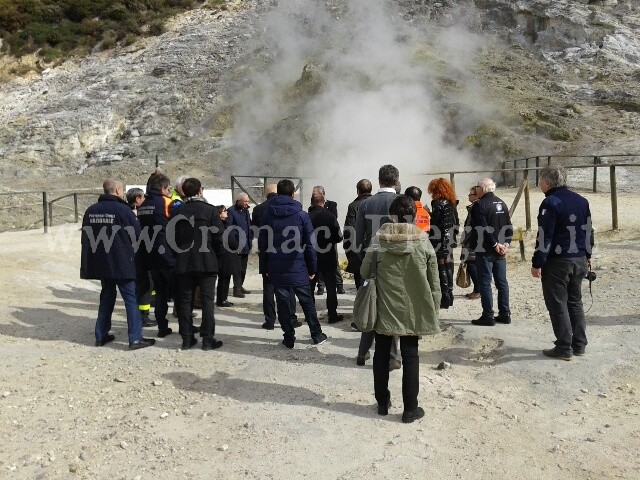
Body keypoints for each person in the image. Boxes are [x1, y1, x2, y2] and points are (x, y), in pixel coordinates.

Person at [360, 195, 440, 423]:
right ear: (414, 216)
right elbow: (434, 282)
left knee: (382, 353)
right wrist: (433, 309)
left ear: (391, 216)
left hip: (384, 305)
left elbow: (365, 272)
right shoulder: (424, 242)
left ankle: (382, 403)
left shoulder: (378, 241)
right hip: (414, 308)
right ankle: (410, 409)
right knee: (411, 355)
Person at [81, 178, 155, 350]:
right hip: (122, 262)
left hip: (101, 263)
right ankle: (135, 338)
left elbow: (86, 238)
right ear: (117, 190)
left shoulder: (91, 210)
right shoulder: (124, 210)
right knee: (130, 299)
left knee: (107, 296)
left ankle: (101, 335)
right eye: (122, 190)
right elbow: (137, 235)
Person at [531, 166, 594, 360]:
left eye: (540, 180)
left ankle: (564, 347)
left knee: (558, 304)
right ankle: (579, 345)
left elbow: (545, 236)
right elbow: (589, 230)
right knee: (575, 302)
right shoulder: (581, 201)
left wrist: (537, 262)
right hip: (579, 258)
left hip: (558, 261)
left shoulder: (550, 203)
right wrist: (588, 253)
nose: (539, 184)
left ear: (548, 183)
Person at [258, 179, 327, 348]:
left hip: (276, 268)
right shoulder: (301, 215)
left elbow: (263, 243)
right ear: (292, 194)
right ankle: (316, 334)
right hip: (298, 267)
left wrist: (264, 267)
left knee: (282, 304)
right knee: (307, 302)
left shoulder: (268, 215)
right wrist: (313, 268)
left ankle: (288, 338)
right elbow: (310, 244)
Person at [354, 164, 401, 368]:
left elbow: (357, 237)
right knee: (390, 307)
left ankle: (363, 353)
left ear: (379, 180)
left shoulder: (366, 203)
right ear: (397, 180)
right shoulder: (402, 202)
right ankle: (391, 358)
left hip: (372, 260)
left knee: (370, 305)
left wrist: (364, 257)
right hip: (397, 263)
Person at [172, 178, 224, 351]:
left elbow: (171, 238)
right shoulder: (210, 211)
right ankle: (208, 340)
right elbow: (219, 238)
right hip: (207, 262)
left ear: (184, 192)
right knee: (208, 302)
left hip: (184, 262)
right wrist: (219, 258)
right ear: (200, 191)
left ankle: (187, 339)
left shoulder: (178, 212)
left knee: (185, 301)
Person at [252, 184, 300, 330]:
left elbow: (255, 232)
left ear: (266, 194)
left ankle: (270, 320)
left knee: (268, 287)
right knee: (288, 286)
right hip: (287, 251)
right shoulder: (293, 206)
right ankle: (291, 318)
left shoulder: (258, 209)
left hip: (267, 251)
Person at [468, 178, 513, 326]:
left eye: (477, 187)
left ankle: (488, 315)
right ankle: (505, 314)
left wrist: (494, 245)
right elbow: (508, 226)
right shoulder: (502, 203)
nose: (476, 190)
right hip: (500, 250)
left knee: (485, 283)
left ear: (482, 189)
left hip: (486, 249)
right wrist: (505, 244)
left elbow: (483, 228)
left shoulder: (480, 205)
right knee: (502, 282)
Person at [137, 172, 175, 337]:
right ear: (164, 187)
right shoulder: (166, 202)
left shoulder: (143, 205)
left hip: (149, 254)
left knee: (159, 293)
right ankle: (186, 327)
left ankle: (162, 327)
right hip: (167, 253)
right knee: (178, 291)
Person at [308, 192, 344, 324]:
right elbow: (339, 238)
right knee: (331, 287)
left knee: (310, 288)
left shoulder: (306, 217)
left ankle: (311, 315)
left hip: (311, 257)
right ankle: (332, 315)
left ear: (311, 203)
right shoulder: (330, 217)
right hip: (328, 257)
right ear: (324, 203)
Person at [427, 178, 459, 309]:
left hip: (439, 238)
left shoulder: (437, 203)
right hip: (449, 238)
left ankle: (444, 296)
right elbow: (456, 222)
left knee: (441, 267)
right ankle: (450, 294)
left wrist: (428, 212)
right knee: (448, 265)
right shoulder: (452, 203)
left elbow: (434, 223)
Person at [311, 185, 344, 295]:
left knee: (334, 264)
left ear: (323, 194)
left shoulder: (332, 204)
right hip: (317, 241)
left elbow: (334, 216)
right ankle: (320, 286)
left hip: (330, 240)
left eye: (317, 193)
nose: (315, 195)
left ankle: (339, 285)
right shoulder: (311, 209)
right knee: (319, 266)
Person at [344, 179, 372, 289]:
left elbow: (349, 231)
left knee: (361, 286)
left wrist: (350, 254)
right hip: (378, 250)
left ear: (358, 191)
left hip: (359, 252)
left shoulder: (353, 206)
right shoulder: (377, 204)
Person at [227, 192, 253, 297]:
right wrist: (234, 245)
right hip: (237, 245)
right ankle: (236, 289)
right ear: (239, 201)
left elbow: (249, 225)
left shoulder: (246, 211)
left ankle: (240, 285)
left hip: (246, 244)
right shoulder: (231, 211)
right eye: (245, 201)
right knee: (237, 269)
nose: (247, 203)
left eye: (248, 201)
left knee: (243, 268)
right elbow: (230, 230)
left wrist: (251, 237)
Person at [215, 205, 238, 308]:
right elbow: (228, 240)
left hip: (228, 254)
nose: (227, 213)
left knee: (225, 277)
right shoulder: (220, 226)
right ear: (219, 214)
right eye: (224, 211)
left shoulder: (225, 224)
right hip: (225, 255)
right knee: (224, 278)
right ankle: (222, 299)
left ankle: (223, 298)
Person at [460, 186, 481, 300]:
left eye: (471, 194)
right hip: (473, 239)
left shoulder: (476, 208)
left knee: (472, 263)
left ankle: (478, 290)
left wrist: (466, 238)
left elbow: (472, 226)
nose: (468, 196)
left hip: (473, 240)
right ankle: (477, 289)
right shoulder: (474, 207)